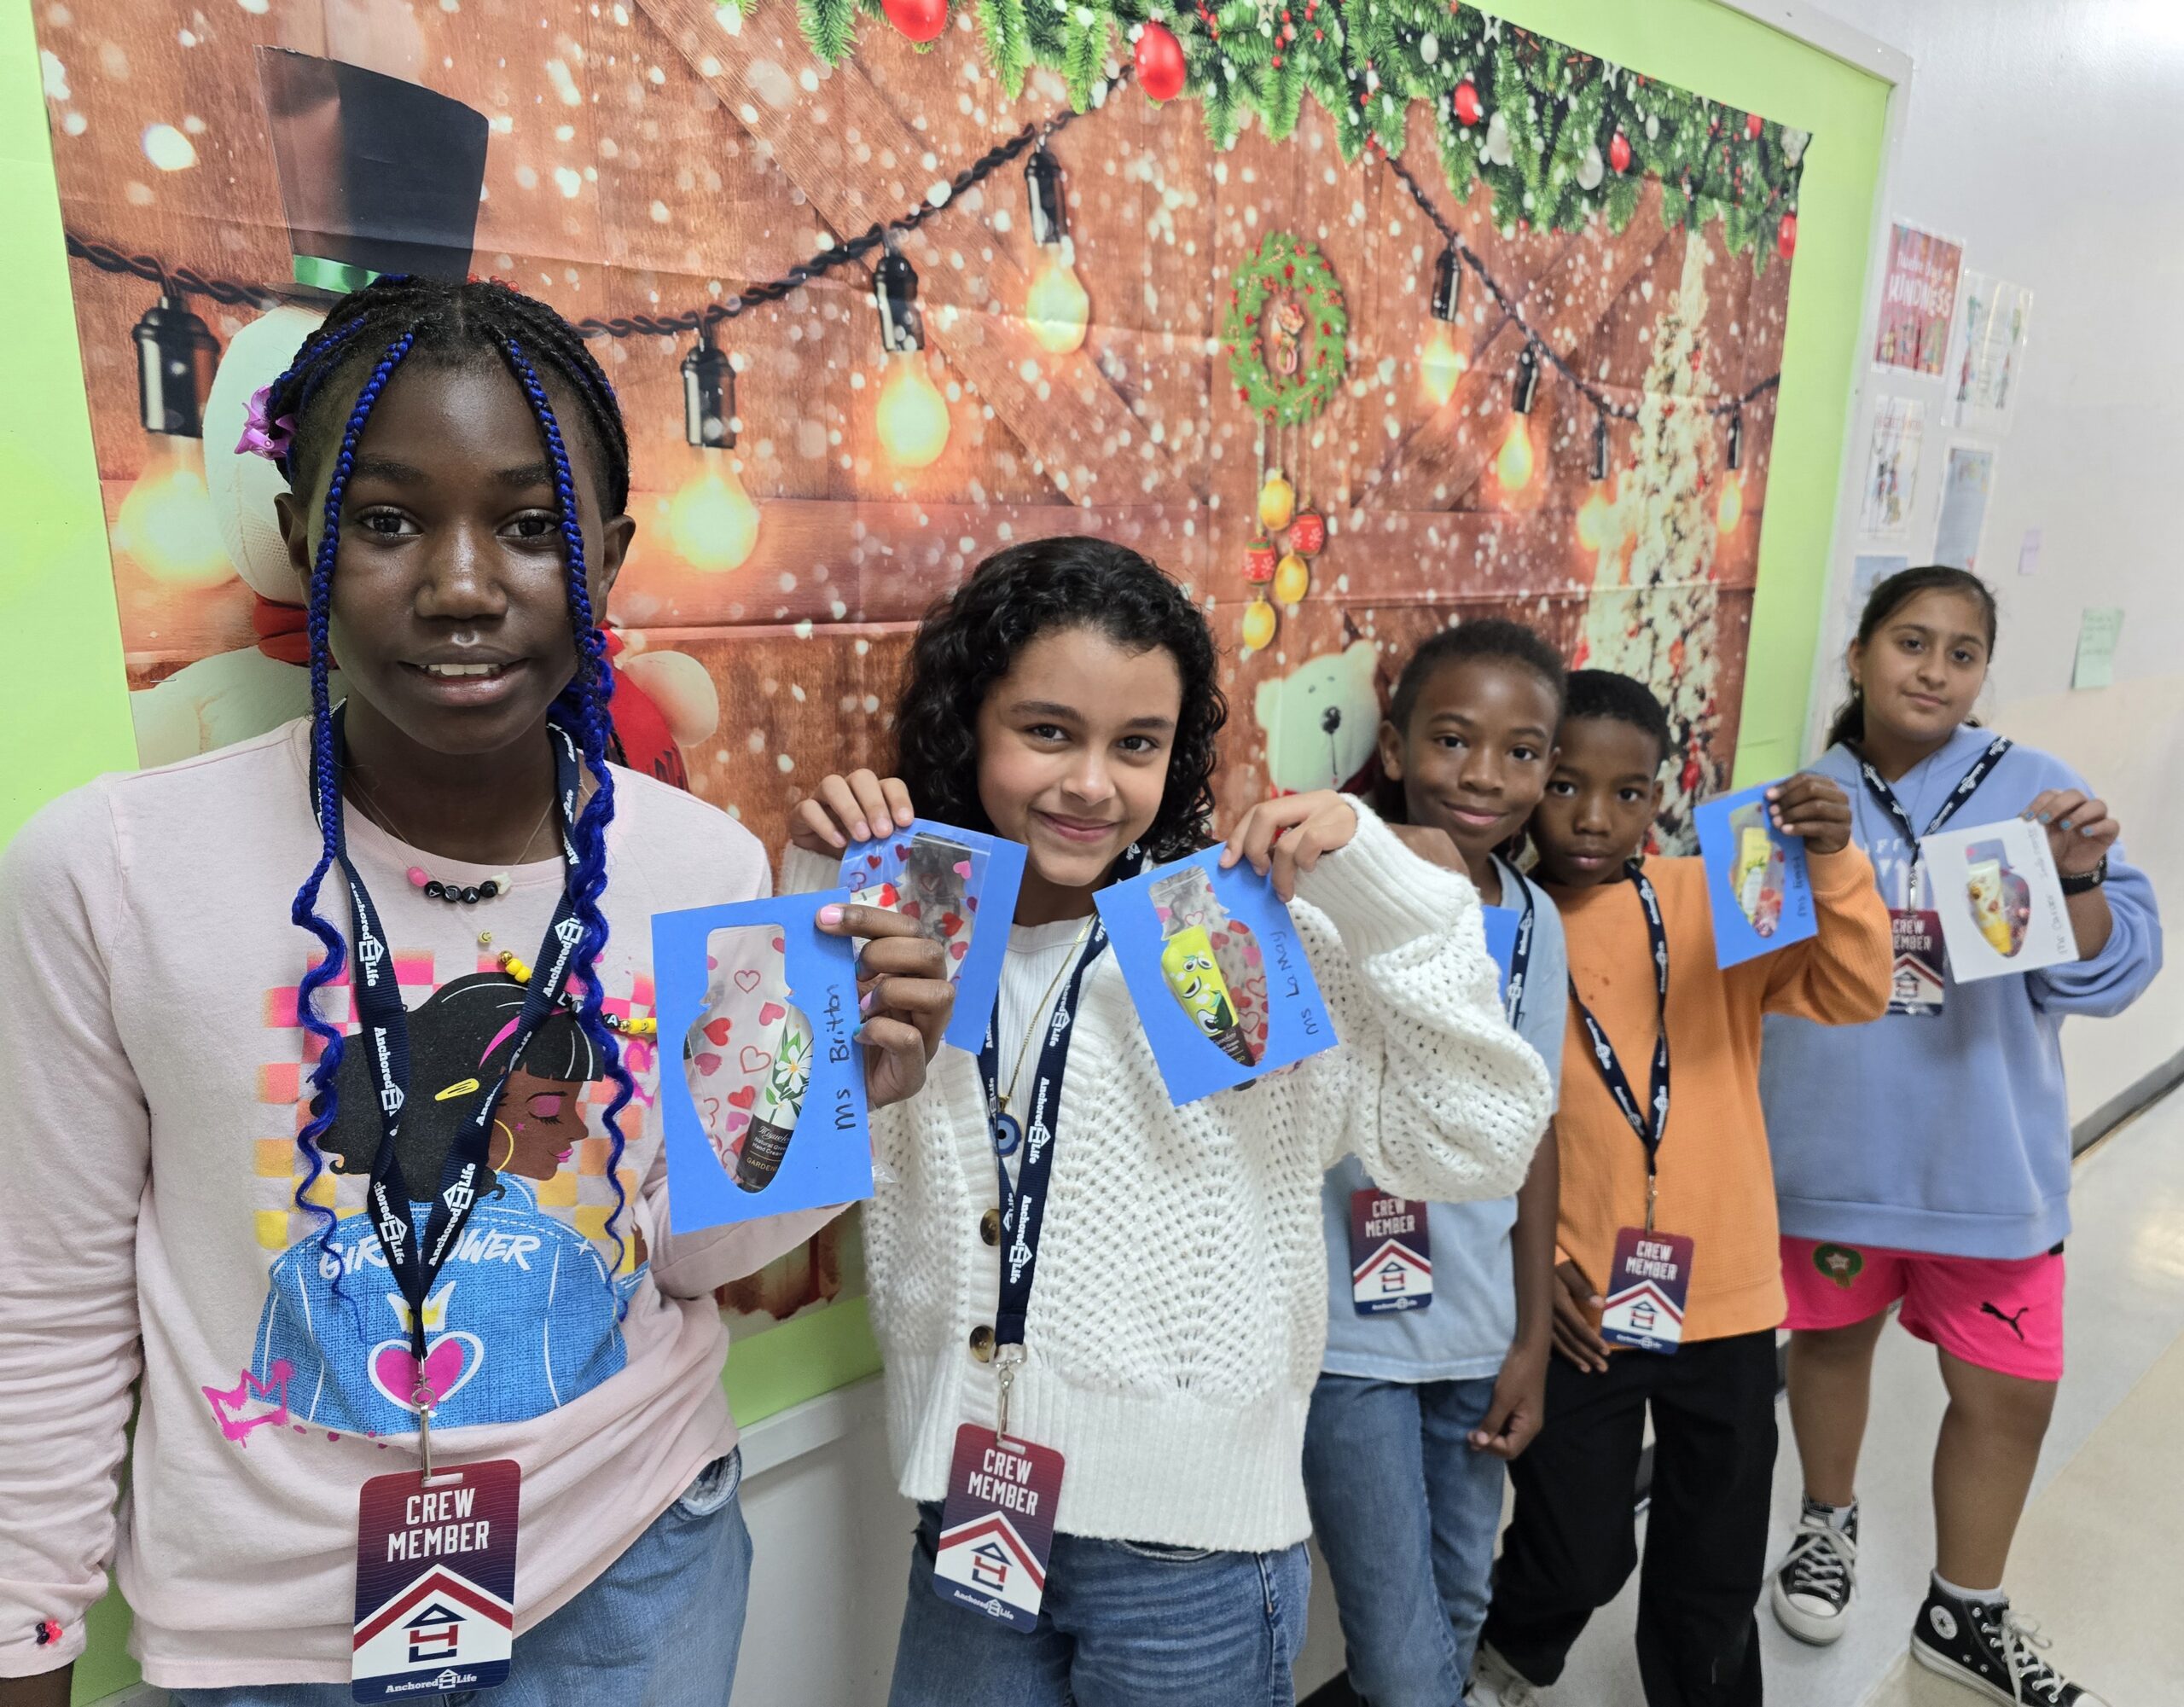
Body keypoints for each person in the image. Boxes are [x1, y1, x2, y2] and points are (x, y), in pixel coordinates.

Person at [0, 276, 951, 1707]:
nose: (460, 583)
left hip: (629, 1572)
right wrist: (27, 1635)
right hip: (272, 1638)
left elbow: (690, 1254)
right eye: (387, 522)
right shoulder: (107, 872)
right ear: (301, 536)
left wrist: (845, 1101)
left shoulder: (700, 859)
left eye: (530, 525)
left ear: (609, 559)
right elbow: (46, 1309)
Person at [783, 537, 1555, 1707]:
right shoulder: (913, 920)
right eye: (1048, 731)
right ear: (964, 723)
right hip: (972, 1511)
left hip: (1191, 1556)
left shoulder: (1231, 936)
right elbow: (778, 1171)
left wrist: (1391, 892)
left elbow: (1479, 1141)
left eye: (1137, 744)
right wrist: (814, 895)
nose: (1092, 783)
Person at [1760, 566, 2158, 1707]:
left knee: (2009, 1391)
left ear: (1984, 671)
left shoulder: (2037, 793)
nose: (1934, 670)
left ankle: (1964, 1609)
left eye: (1962, 652)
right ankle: (1826, 1522)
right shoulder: (1796, 800)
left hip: (1987, 1172)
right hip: (1829, 1163)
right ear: (1858, 656)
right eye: (1910, 642)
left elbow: (2112, 974)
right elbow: (1742, 975)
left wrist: (2075, 876)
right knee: (1830, 1347)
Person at [1471, 669, 1892, 1707]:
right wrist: (1533, 1262)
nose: (1593, 818)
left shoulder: (1716, 892)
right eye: (1563, 784)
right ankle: (1501, 1657)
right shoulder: (1491, 921)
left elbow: (1852, 989)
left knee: (1713, 1568)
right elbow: (1470, 1123)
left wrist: (1834, 861)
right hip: (1577, 1306)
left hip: (1726, 1296)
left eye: (1627, 792)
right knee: (1576, 1549)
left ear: (1660, 794)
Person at [1300, 619, 1568, 1707]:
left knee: (1460, 1599)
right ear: (1396, 746)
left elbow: (1534, 1128)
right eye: (1453, 739)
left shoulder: (1535, 920)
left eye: (1521, 752)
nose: (1484, 775)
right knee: (1398, 1644)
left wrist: (1530, 1338)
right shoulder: (1318, 892)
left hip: (1474, 1330)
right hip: (1346, 1342)